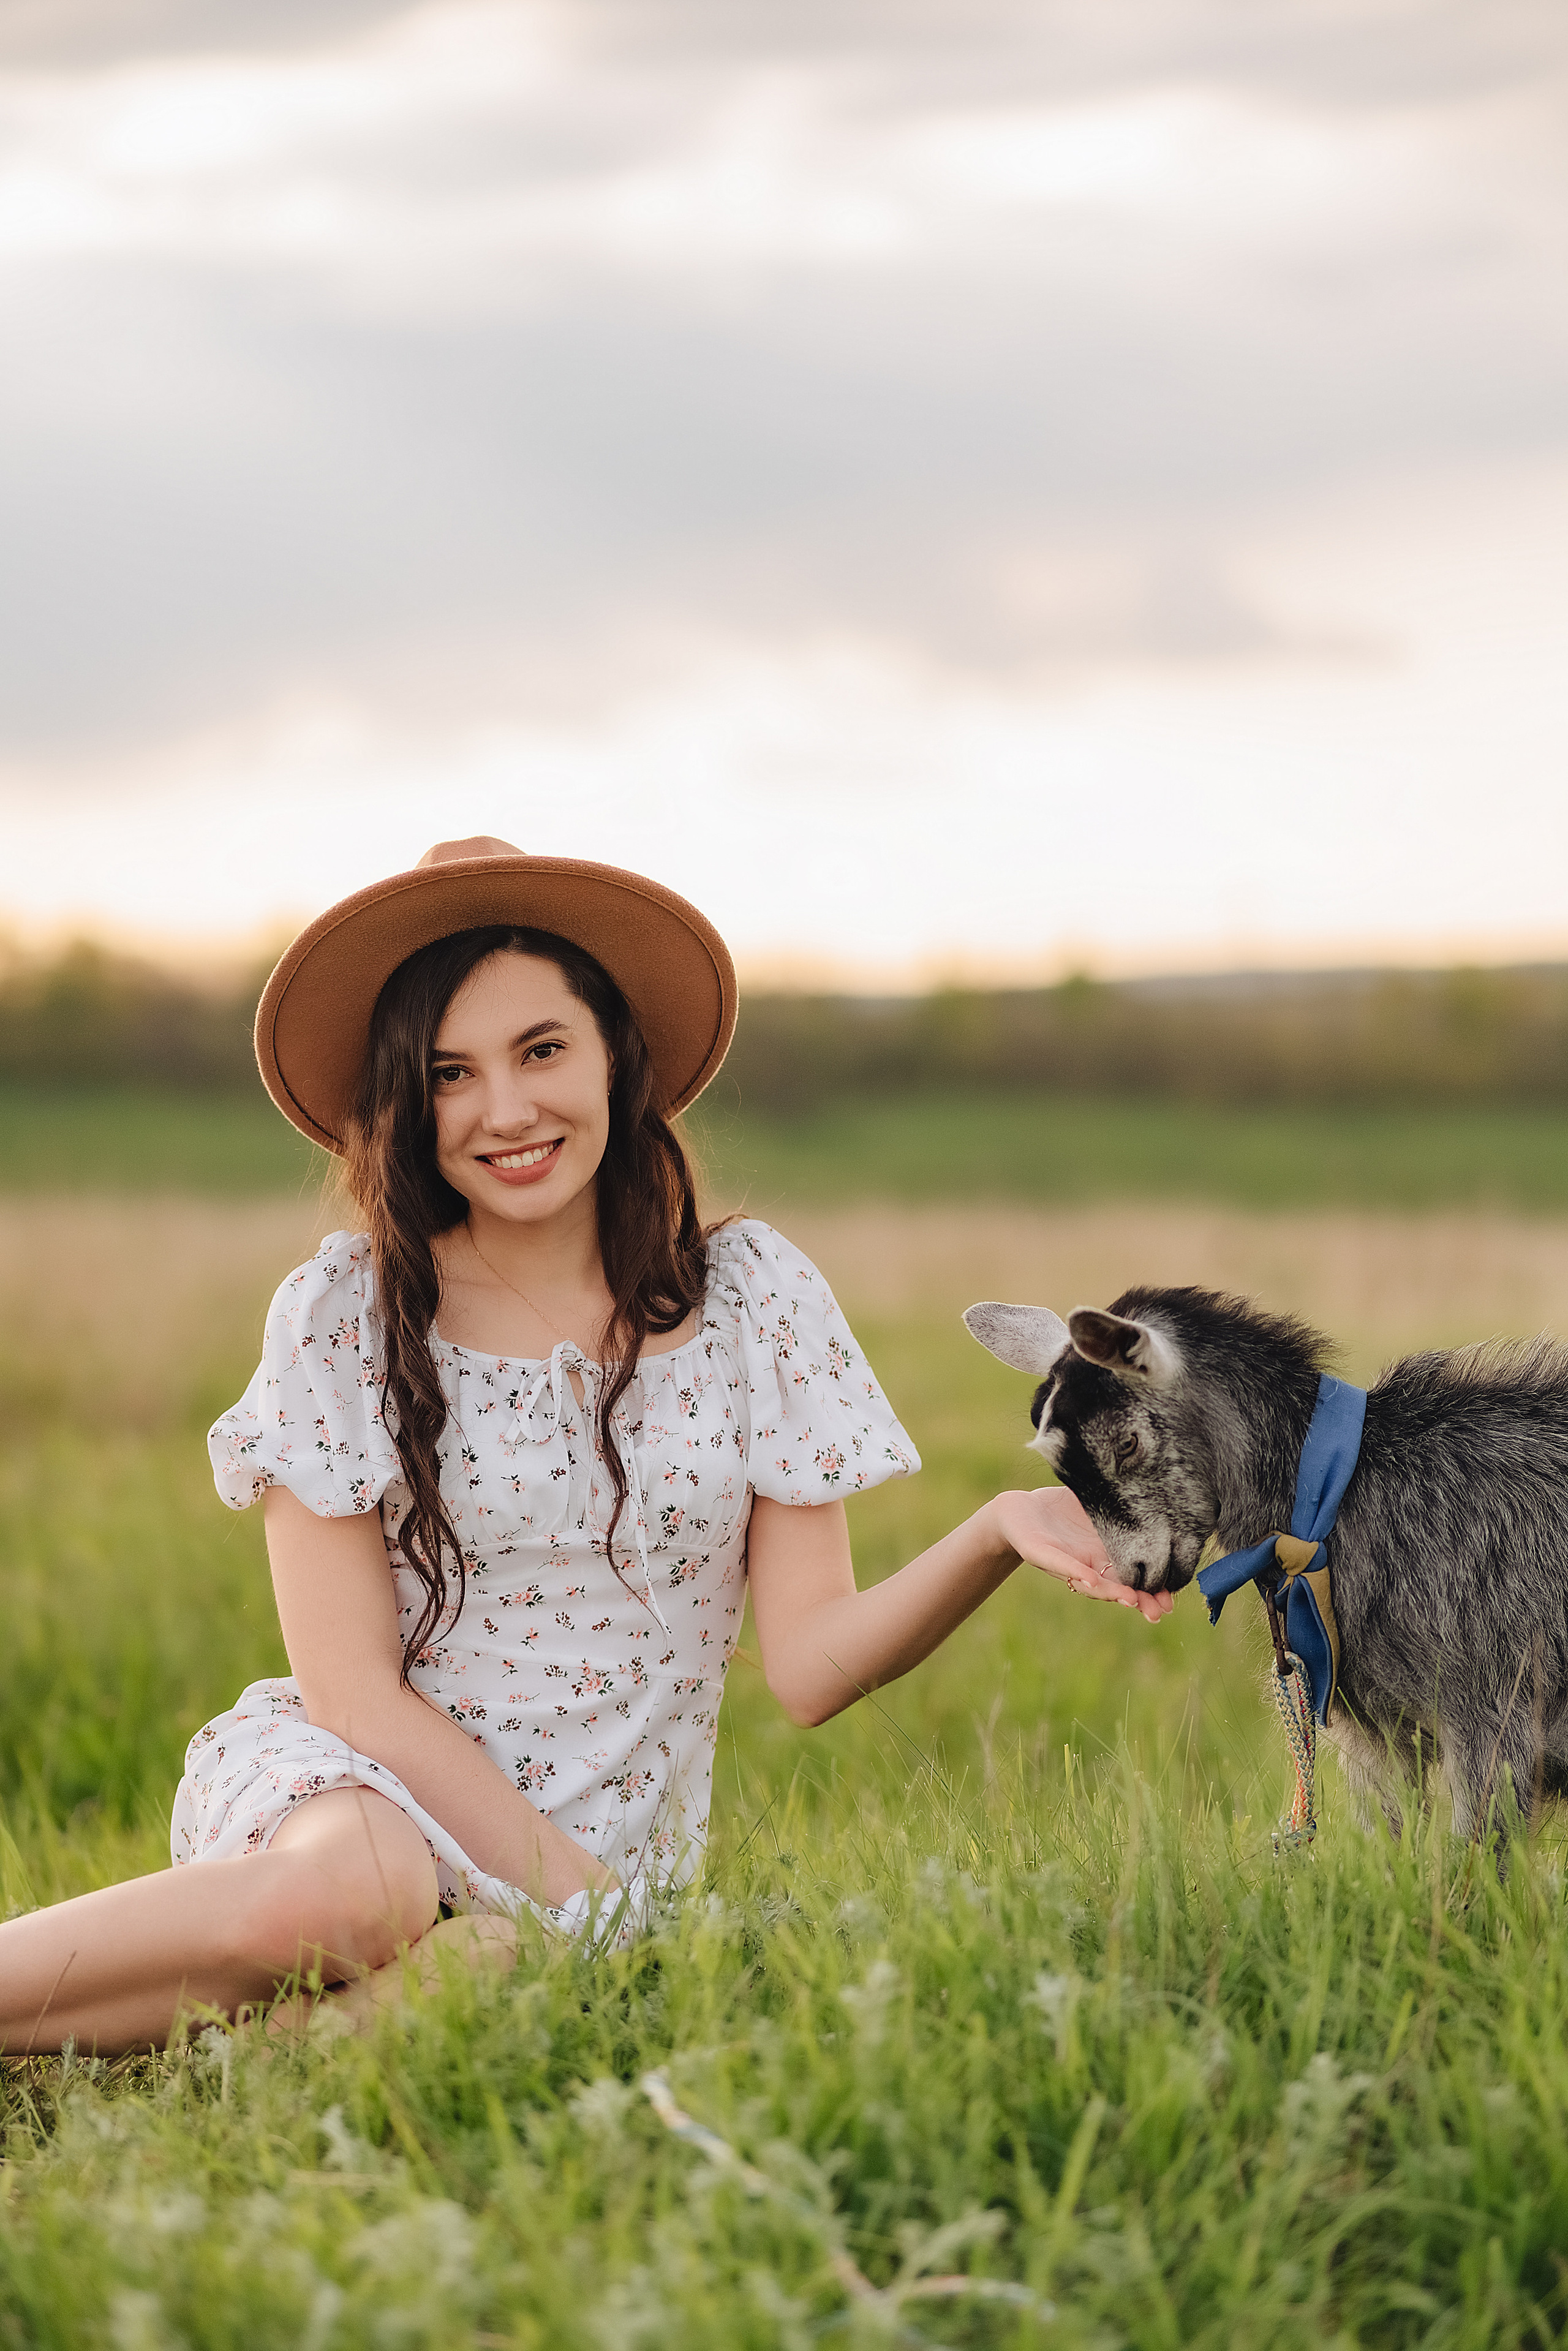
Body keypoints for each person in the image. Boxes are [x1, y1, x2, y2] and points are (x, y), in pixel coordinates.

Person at [0, 838, 1169, 2057]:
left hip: (596, 1875)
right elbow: (354, 1693)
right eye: (451, 1072)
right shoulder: (346, 1308)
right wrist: (586, 1898)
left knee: (483, 1971)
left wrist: (994, 1530)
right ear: (407, 1103)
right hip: (363, 1802)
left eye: (541, 1049)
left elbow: (811, 1664)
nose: (505, 1109)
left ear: (616, 1055)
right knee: (363, 1893)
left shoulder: (751, 1297)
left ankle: (203, 2063)